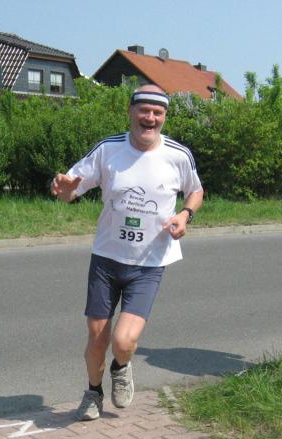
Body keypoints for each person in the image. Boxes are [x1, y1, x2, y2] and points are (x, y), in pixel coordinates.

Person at [51, 84, 204, 421]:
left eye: (157, 112)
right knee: (96, 337)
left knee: (123, 341)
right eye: (143, 110)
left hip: (149, 262)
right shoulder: (108, 150)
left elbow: (196, 191)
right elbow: (70, 189)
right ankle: (93, 393)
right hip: (106, 259)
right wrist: (62, 189)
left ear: (164, 117)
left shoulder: (178, 155)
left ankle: (121, 367)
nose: (150, 117)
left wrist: (185, 215)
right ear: (131, 112)